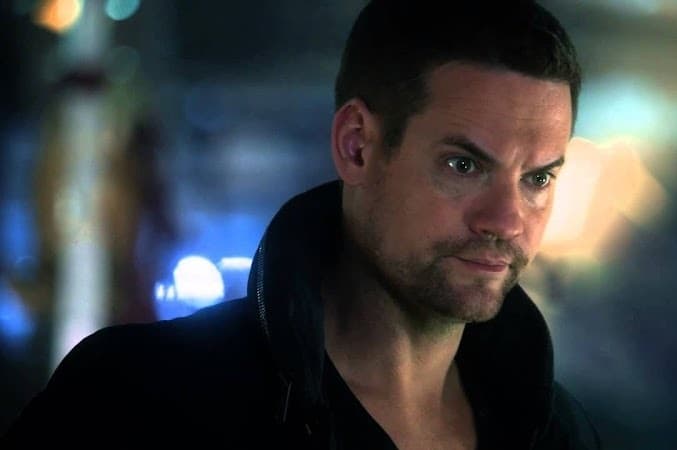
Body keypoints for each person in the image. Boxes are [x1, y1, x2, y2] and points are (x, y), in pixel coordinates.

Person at [2, 0, 601, 448]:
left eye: (538, 179)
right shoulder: (139, 399)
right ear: (357, 145)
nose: (507, 220)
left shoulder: (563, 433)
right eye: (463, 165)